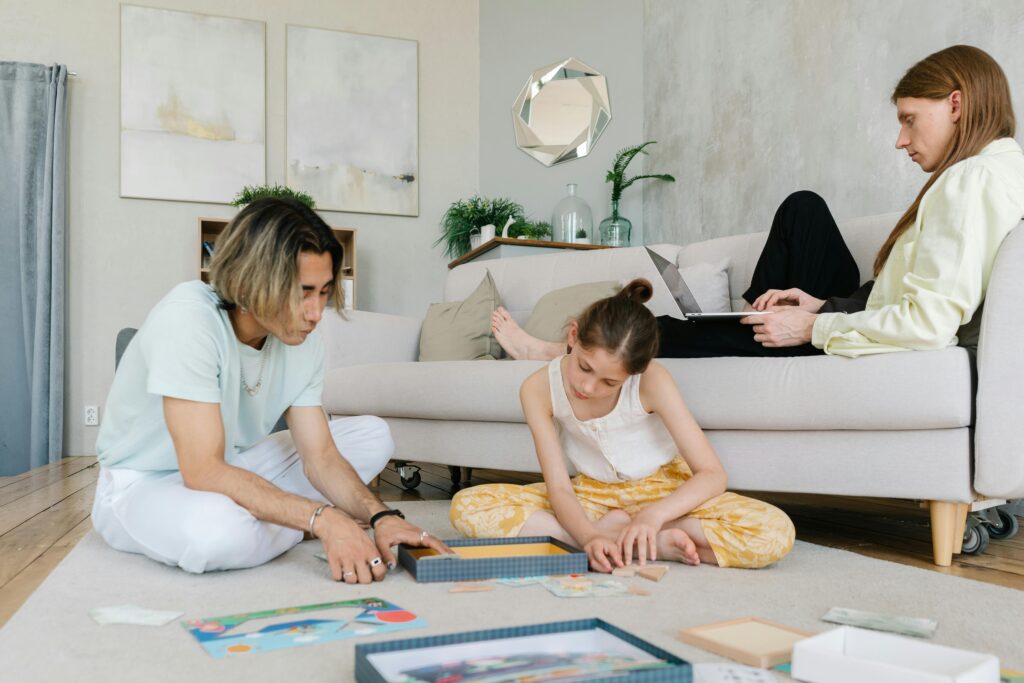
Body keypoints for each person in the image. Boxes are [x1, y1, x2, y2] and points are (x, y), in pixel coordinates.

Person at [492, 44, 1024, 361]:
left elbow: (927, 324)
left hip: (858, 336)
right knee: (803, 206)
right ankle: (746, 318)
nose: (900, 139)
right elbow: (903, 295)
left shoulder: (971, 181)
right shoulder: (989, 171)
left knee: (676, 333)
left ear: (957, 104)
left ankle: (559, 353)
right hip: (858, 311)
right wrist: (820, 305)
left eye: (909, 118)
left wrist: (812, 327)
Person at [92, 197, 449, 582]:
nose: (316, 314)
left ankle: (275, 515)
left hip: (234, 463)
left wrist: (382, 517)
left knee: (373, 434)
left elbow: (322, 458)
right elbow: (202, 470)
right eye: (302, 292)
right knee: (218, 535)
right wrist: (322, 518)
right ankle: (297, 520)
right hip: (142, 484)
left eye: (325, 291)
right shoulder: (188, 319)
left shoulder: (304, 343)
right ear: (248, 284)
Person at [450, 280, 795, 571]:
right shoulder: (537, 389)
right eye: (584, 368)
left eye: (609, 383)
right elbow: (559, 488)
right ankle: (645, 545)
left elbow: (712, 474)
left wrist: (653, 517)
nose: (588, 388)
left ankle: (635, 535)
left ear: (633, 374)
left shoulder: (653, 381)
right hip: (590, 497)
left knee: (775, 532)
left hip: (663, 494)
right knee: (467, 508)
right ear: (573, 336)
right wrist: (589, 536)